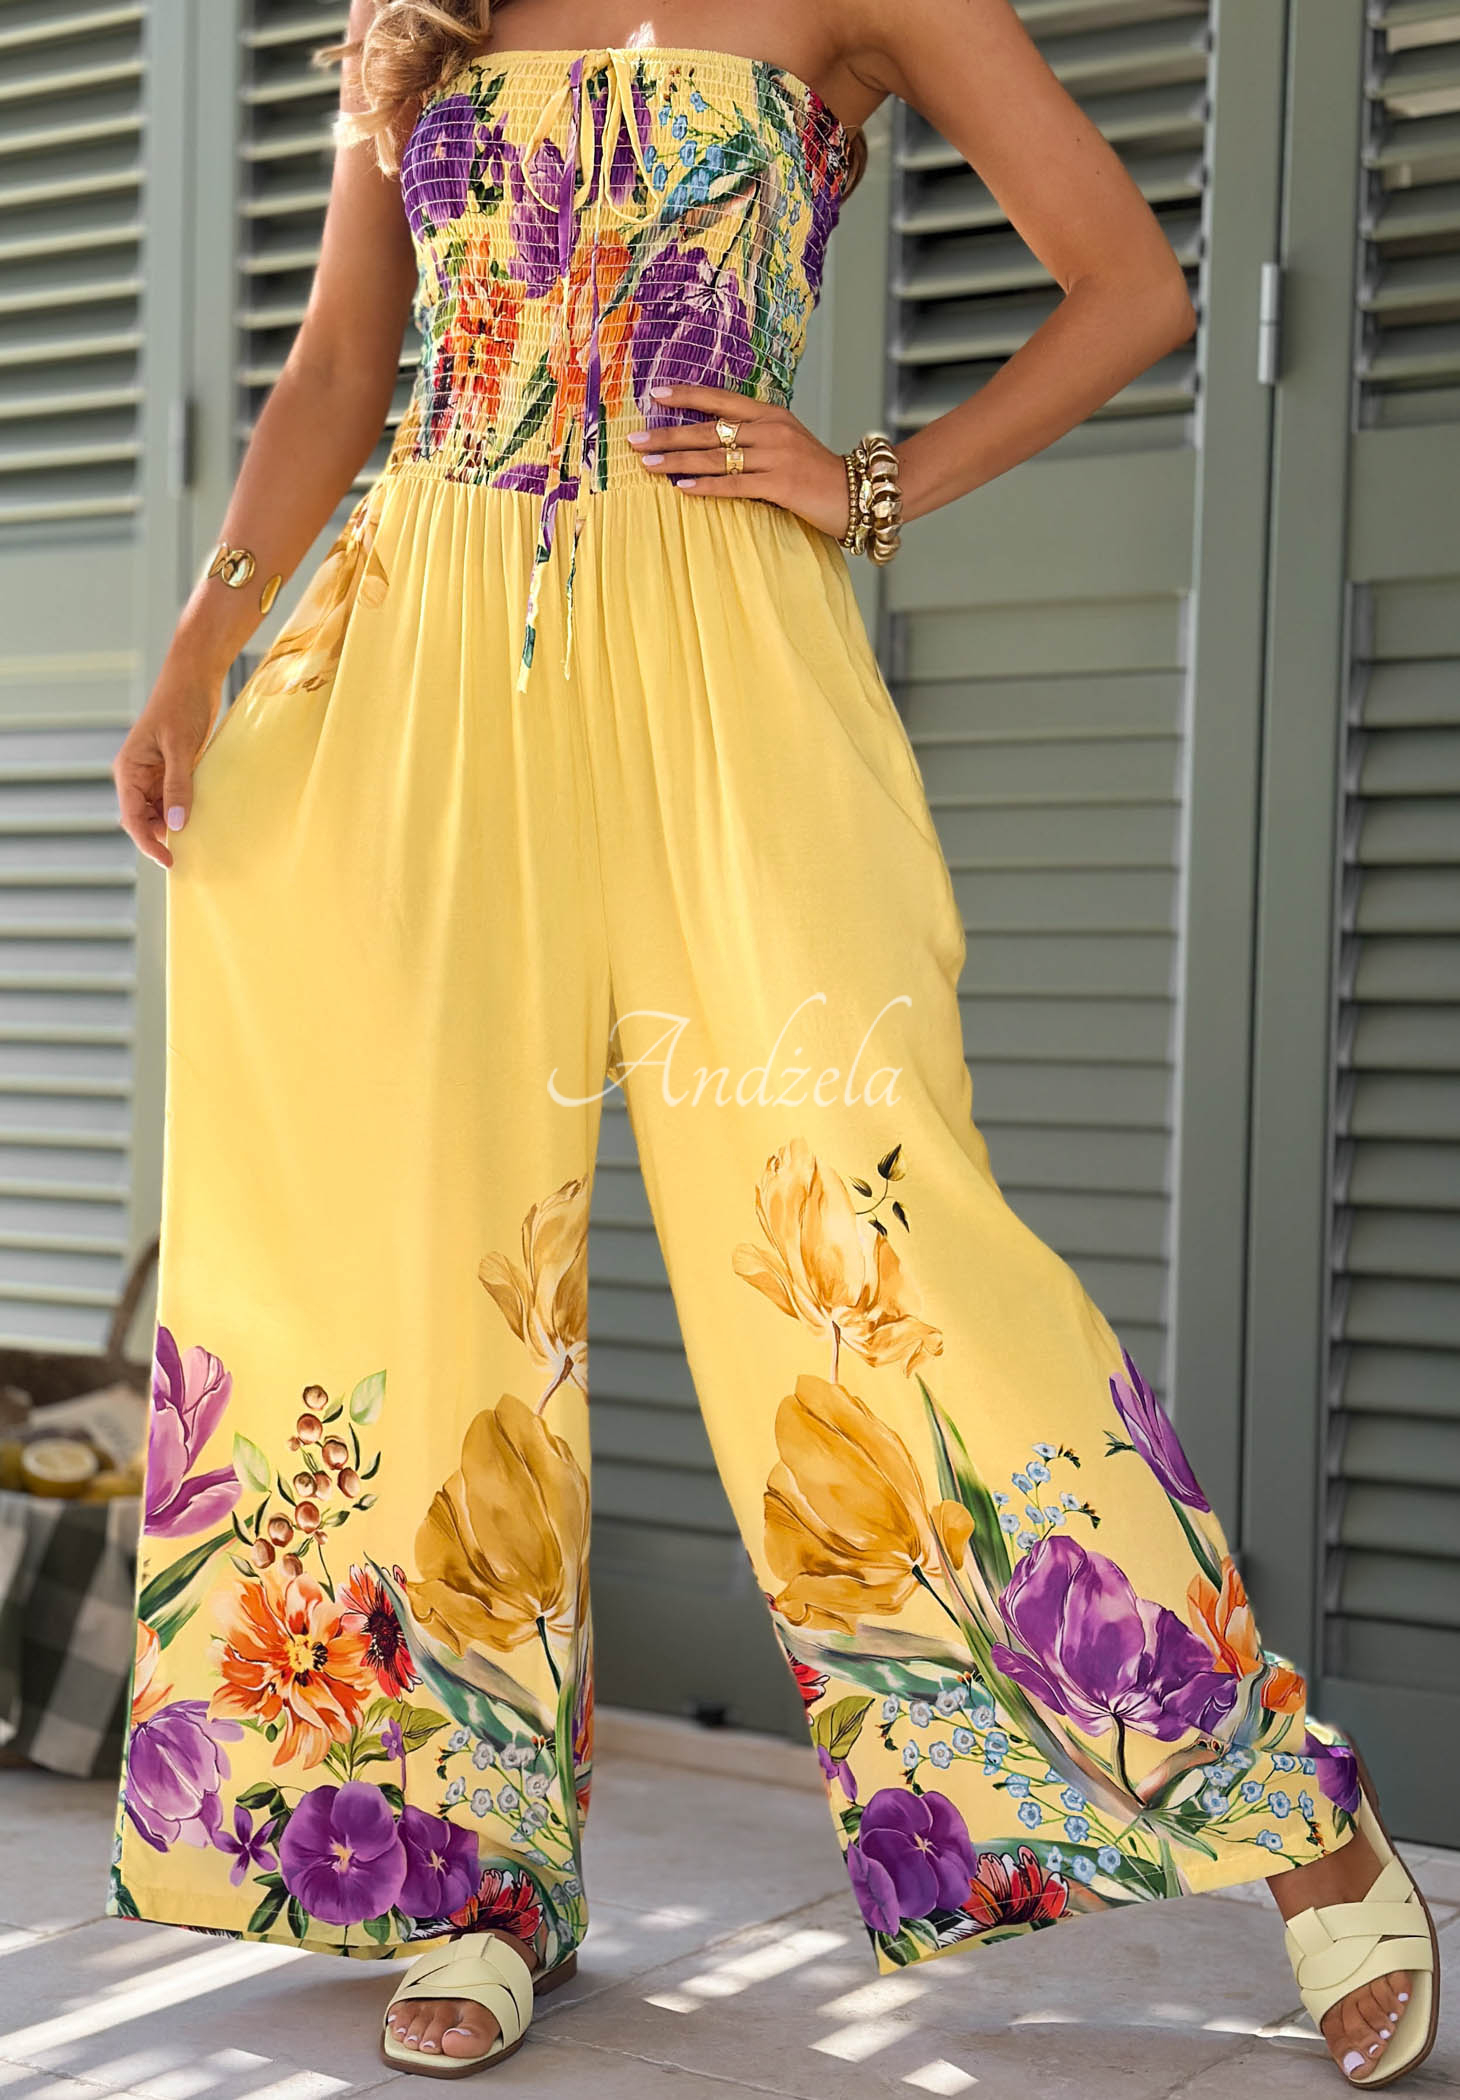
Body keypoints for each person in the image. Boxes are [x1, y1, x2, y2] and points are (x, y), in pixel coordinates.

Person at [107, 0, 1438, 2086]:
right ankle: (464, 1871)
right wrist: (205, 634)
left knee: (873, 1249)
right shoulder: (428, 14)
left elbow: (1131, 288)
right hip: (410, 676)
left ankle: (1286, 1816)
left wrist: (871, 485)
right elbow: (344, 366)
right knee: (399, 1256)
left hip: (725, 656)